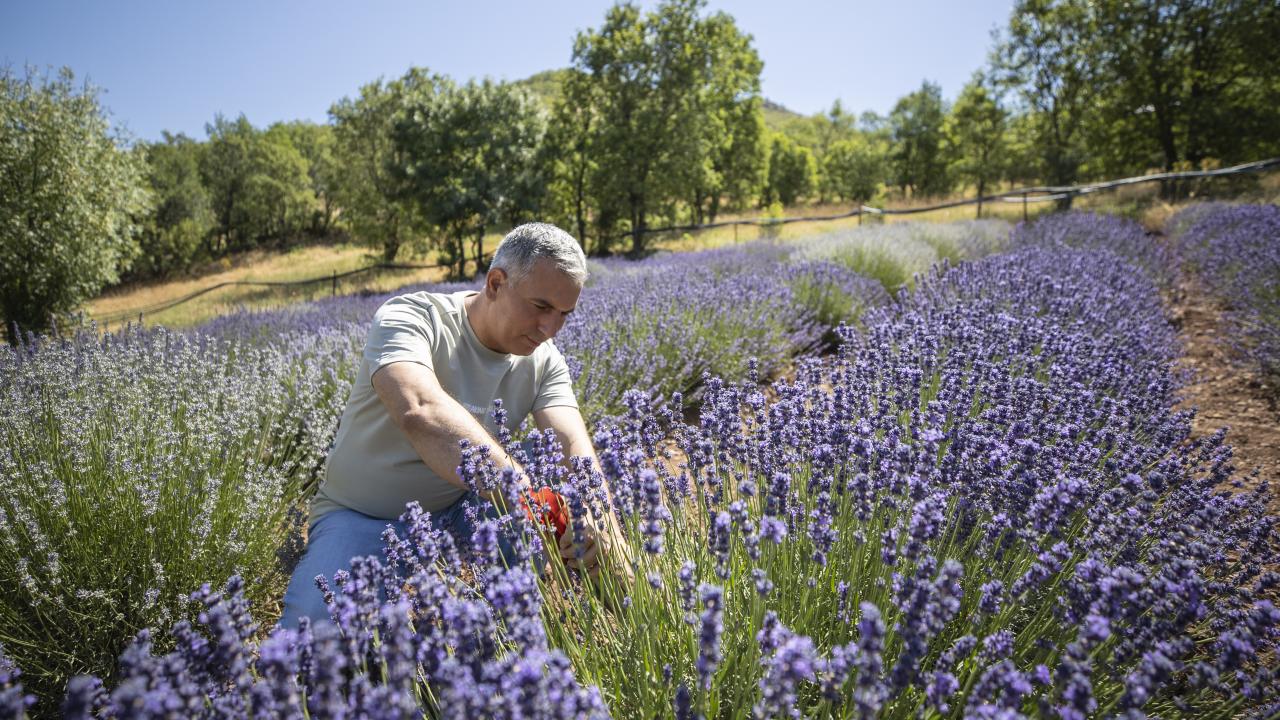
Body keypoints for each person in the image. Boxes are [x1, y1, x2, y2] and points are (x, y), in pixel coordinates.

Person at [280, 222, 614, 628]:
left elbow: (573, 450)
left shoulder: (545, 362)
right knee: (315, 635)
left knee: (564, 480)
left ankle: (507, 626)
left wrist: (604, 535)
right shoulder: (412, 317)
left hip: (466, 504)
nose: (551, 329)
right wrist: (527, 496)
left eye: (564, 314)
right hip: (368, 514)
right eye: (541, 307)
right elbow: (421, 411)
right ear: (496, 283)